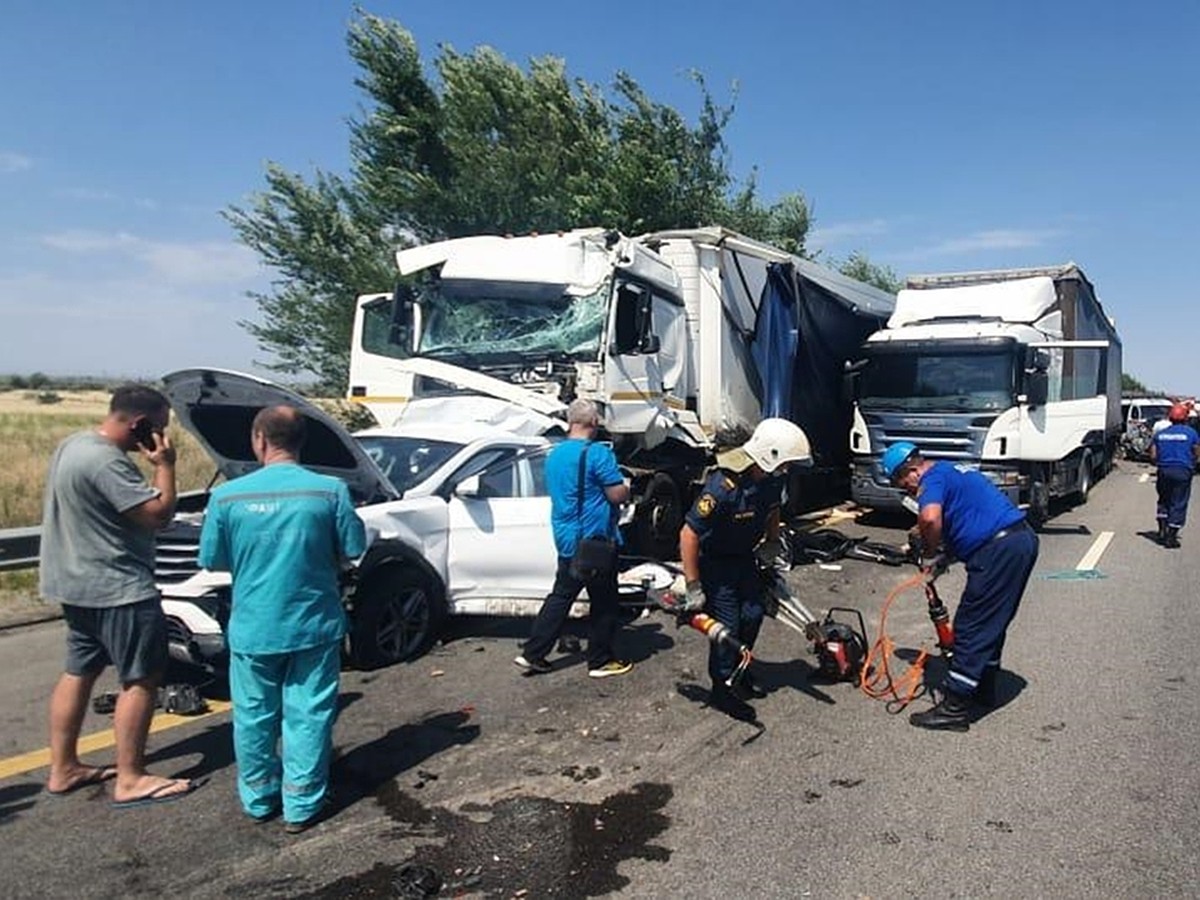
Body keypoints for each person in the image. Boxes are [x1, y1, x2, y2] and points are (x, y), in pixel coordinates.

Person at [198, 406, 367, 833]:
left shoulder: (226, 496)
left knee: (254, 715)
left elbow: (211, 558)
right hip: (313, 623)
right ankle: (301, 804)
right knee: (308, 712)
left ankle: (258, 798)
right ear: (301, 441)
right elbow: (353, 546)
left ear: (258, 439)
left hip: (254, 626)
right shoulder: (329, 491)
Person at [40, 384, 197, 806]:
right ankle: (130, 778)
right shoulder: (107, 462)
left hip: (76, 586)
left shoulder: (73, 445)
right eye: (158, 428)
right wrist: (164, 465)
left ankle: (63, 768)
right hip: (119, 588)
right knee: (141, 679)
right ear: (139, 424)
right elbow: (158, 514)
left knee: (79, 672)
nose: (160, 436)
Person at [882, 441, 1039, 732]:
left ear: (912, 471)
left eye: (904, 485)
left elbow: (930, 518)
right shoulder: (952, 470)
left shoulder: (932, 479)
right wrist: (942, 560)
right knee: (991, 622)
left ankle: (955, 707)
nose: (908, 492)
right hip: (1017, 541)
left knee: (971, 626)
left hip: (999, 550)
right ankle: (982, 688)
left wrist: (928, 552)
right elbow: (968, 519)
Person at [679, 418, 813, 717]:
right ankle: (722, 687)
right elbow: (688, 534)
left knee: (753, 614)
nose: (786, 470)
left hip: (745, 560)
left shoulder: (772, 480)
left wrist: (772, 541)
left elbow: (773, 510)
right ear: (770, 455)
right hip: (716, 565)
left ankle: (741, 669)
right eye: (785, 463)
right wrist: (692, 585)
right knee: (728, 627)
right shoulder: (723, 486)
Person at [516, 398, 632, 678]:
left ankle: (533, 653)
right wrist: (626, 487)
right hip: (595, 540)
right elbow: (615, 494)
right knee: (604, 602)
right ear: (594, 423)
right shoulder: (597, 454)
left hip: (566, 538)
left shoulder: (554, 454)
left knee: (561, 595)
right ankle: (600, 660)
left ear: (571, 422)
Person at [1150, 403, 1200, 548]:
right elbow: (1197, 453)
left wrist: (1161, 462)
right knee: (1179, 502)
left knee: (1164, 500)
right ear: (1185, 418)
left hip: (1164, 470)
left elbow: (1153, 455)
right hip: (1183, 471)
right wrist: (1193, 464)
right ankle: (1171, 537)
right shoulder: (1191, 433)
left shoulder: (1160, 434)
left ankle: (1161, 531)